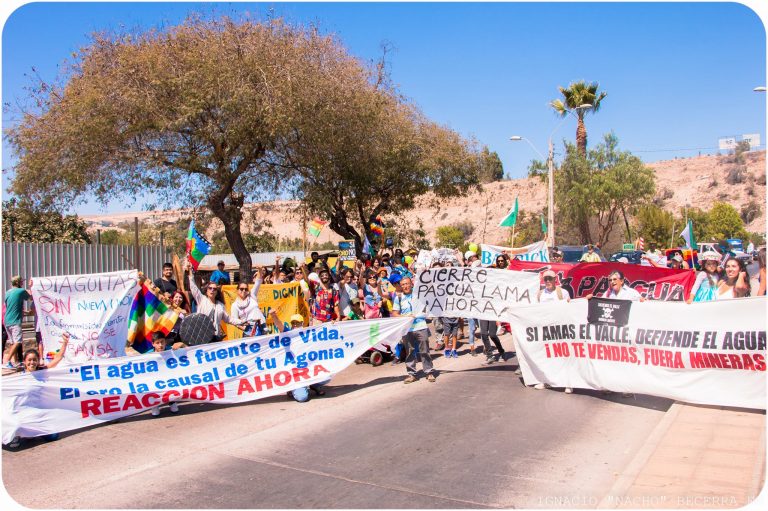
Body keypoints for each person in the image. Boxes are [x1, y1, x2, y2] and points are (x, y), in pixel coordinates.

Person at [6, 333, 71, 447]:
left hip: (38, 414)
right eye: (29, 360)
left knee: (53, 436)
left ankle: (32, 432)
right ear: (25, 362)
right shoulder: (18, 377)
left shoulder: (42, 372)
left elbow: (58, 358)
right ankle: (17, 434)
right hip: (22, 413)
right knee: (15, 425)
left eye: (34, 360)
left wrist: (65, 343)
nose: (32, 362)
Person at [270, 311, 326, 402]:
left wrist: (332, 324)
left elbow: (325, 334)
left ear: (302, 323)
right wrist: (273, 316)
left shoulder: (309, 333)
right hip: (296, 373)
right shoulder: (288, 334)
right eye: (293, 323)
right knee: (302, 398)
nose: (295, 325)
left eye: (297, 323)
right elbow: (280, 326)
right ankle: (292, 387)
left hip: (309, 369)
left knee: (327, 375)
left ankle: (314, 385)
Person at [534, 270, 572, 393]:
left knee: (563, 356)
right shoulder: (540, 294)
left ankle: (568, 383)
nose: (548, 281)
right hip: (546, 330)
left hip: (561, 329)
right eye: (546, 279)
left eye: (550, 278)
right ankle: (546, 381)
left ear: (555, 279)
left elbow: (571, 308)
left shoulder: (563, 292)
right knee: (546, 356)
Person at [392, 276, 435, 383]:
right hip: (407, 329)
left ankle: (429, 372)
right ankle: (412, 374)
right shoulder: (399, 298)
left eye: (407, 284)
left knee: (424, 351)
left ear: (411, 284)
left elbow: (431, 294)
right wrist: (405, 317)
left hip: (421, 326)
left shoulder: (419, 295)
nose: (405, 286)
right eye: (403, 285)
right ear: (400, 286)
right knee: (409, 352)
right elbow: (395, 313)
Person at [185, 260, 242, 341]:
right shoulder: (201, 299)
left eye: (214, 289)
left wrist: (242, 321)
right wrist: (190, 272)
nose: (212, 290)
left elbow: (229, 319)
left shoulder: (220, 305)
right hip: (202, 337)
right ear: (206, 290)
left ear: (217, 291)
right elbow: (193, 288)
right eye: (210, 288)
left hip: (216, 337)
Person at [147, 332, 181, 416]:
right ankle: (155, 404)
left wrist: (182, 345)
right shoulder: (148, 355)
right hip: (155, 378)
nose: (160, 345)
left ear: (165, 342)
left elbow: (188, 352)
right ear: (153, 344)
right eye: (157, 343)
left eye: (162, 342)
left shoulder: (171, 350)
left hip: (168, 377)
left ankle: (172, 402)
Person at [4, 275, 31, 369]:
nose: (22, 283)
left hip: (7, 320)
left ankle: (16, 363)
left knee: (13, 343)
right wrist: (30, 288)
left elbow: (10, 306)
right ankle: (7, 361)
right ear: (19, 282)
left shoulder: (7, 292)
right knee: (18, 342)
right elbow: (31, 298)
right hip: (15, 321)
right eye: (22, 282)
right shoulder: (21, 291)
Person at [230, 268, 266, 336]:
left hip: (261, 326)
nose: (244, 291)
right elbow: (234, 321)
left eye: (246, 289)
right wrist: (246, 329)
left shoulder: (252, 295)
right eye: (241, 289)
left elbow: (258, 282)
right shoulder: (235, 305)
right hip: (249, 331)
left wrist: (260, 270)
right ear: (237, 290)